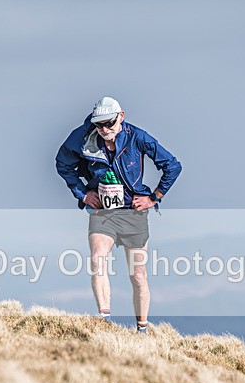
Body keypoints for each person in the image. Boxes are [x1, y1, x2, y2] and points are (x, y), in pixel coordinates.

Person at [55, 96, 182, 333]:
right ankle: (104, 323)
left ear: (121, 117)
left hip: (134, 212)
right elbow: (62, 164)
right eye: (99, 124)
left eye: (109, 123)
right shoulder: (83, 137)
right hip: (103, 211)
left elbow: (173, 166)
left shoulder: (138, 137)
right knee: (97, 259)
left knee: (138, 276)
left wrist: (154, 198)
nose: (104, 129)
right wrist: (83, 194)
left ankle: (142, 330)